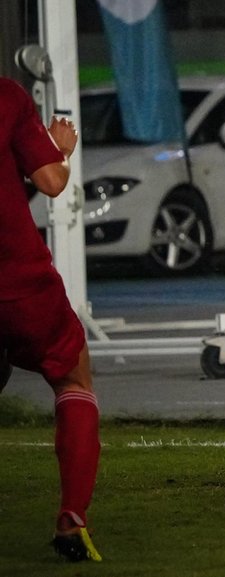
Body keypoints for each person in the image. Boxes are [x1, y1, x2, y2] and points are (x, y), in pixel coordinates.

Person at [0, 78, 102, 561]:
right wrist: (60, 149)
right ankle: (72, 519)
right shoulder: (7, 96)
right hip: (17, 279)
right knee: (72, 375)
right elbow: (52, 182)